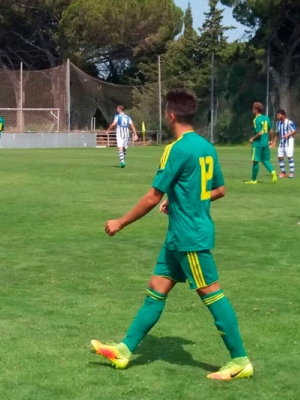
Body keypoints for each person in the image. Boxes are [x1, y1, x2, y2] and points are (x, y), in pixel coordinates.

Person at [91, 89, 253, 380]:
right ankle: (125, 350)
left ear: (171, 115)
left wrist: (121, 222)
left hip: (189, 236)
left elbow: (153, 197)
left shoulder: (176, 149)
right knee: (156, 288)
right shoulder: (206, 147)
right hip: (180, 236)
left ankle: (240, 359)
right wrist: (182, 199)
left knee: (212, 293)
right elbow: (218, 190)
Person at [246, 102, 277, 184]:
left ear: (256, 110)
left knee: (255, 161)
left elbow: (260, 132)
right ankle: (273, 172)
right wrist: (271, 140)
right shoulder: (266, 118)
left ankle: (253, 180)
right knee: (266, 160)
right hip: (265, 143)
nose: (252, 110)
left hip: (258, 143)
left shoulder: (256, 120)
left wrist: (252, 139)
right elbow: (271, 130)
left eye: (253, 108)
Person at [273, 109, 297, 178]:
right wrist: (274, 142)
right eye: (277, 115)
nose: (277, 116)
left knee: (289, 157)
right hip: (281, 142)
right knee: (280, 157)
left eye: (278, 115)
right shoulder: (278, 123)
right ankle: (283, 173)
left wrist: (288, 135)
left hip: (289, 142)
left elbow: (294, 131)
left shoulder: (289, 122)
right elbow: (277, 133)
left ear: (283, 115)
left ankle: (291, 173)